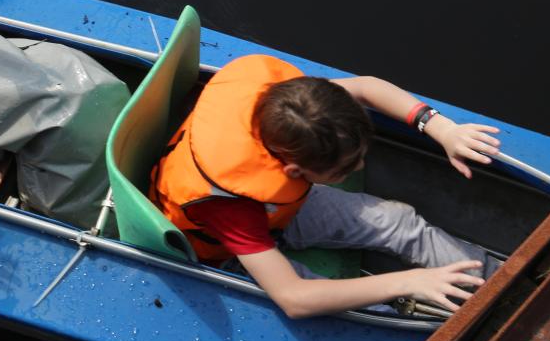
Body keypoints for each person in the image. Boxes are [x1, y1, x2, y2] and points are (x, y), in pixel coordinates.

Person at [150, 54, 504, 318]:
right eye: (345, 168)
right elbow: (294, 298)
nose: (360, 167)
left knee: (399, 221)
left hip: (277, 211)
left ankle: (497, 283)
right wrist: (407, 282)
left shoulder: (292, 107)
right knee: (351, 306)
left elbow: (365, 87)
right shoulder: (228, 205)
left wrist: (440, 128)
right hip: (225, 246)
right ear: (293, 170)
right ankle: (433, 320)